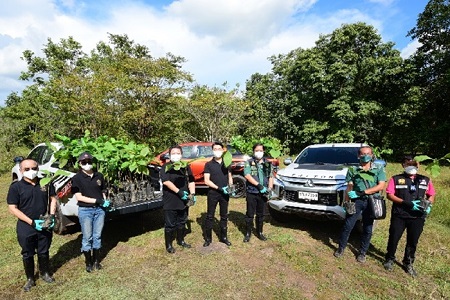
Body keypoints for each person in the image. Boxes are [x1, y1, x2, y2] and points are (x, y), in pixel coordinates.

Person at [7, 159, 57, 291]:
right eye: (27, 169)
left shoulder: (45, 183)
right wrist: (32, 222)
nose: (31, 172)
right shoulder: (16, 187)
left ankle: (45, 273)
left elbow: (53, 199)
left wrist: (51, 216)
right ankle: (30, 278)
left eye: (34, 168)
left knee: (44, 250)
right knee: (27, 253)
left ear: (38, 168)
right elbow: (12, 208)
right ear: (21, 170)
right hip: (26, 226)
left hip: (44, 222)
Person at [383, 156, 436, 276]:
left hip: (418, 217)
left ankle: (408, 262)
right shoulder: (396, 179)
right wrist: (406, 203)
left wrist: (429, 205)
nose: (412, 167)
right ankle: (390, 259)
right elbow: (390, 195)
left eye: (415, 164)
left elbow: (431, 194)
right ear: (403, 165)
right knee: (394, 237)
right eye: (409, 164)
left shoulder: (425, 180)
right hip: (400, 214)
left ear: (418, 165)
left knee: (413, 241)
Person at [334, 145, 386, 262]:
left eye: (368, 154)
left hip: (371, 201)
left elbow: (381, 186)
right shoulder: (353, 169)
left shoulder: (378, 169)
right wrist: (346, 202)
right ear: (358, 156)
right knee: (348, 225)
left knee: (367, 227)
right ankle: (341, 248)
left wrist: (362, 193)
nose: (365, 156)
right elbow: (349, 186)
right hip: (357, 201)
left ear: (372, 155)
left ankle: (362, 252)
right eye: (363, 154)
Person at [71, 152, 111, 272]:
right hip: (85, 210)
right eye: (84, 162)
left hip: (99, 210)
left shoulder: (99, 176)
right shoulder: (76, 178)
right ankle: (88, 262)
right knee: (87, 237)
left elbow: (103, 190)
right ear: (79, 164)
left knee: (97, 236)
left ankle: (96, 261)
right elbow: (79, 197)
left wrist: (104, 201)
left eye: (89, 162)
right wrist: (97, 201)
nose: (87, 164)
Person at [160, 145, 196, 253]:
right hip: (170, 199)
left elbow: (191, 180)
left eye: (178, 153)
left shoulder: (185, 166)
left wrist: (192, 194)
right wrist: (179, 192)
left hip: (184, 199)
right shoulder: (165, 167)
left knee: (182, 221)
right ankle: (169, 245)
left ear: (181, 154)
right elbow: (166, 181)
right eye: (173, 153)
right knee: (170, 224)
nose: (176, 155)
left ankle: (180, 240)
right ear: (170, 155)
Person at [203, 142, 234, 247]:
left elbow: (230, 177)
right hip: (213, 193)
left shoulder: (227, 163)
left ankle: (224, 237)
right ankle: (208, 238)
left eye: (219, 148)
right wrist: (220, 189)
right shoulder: (208, 164)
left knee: (224, 215)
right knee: (210, 216)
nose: (217, 151)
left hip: (225, 194)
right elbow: (206, 181)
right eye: (215, 149)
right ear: (212, 151)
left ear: (223, 150)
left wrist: (231, 187)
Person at [243, 143, 274, 242]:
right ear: (253, 151)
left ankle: (259, 232)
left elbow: (271, 177)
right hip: (252, 192)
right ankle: (248, 233)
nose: (259, 152)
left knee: (261, 214)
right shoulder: (249, 162)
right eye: (257, 150)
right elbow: (247, 175)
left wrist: (269, 188)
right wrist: (258, 185)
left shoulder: (267, 163)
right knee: (250, 213)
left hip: (263, 193)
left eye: (261, 150)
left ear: (263, 151)